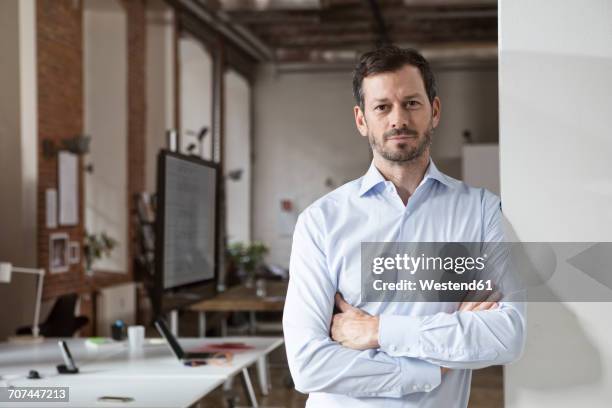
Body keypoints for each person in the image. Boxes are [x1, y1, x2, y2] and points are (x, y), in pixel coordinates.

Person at [282, 46, 526, 407]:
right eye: (382, 106)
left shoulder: (481, 211)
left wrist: (378, 331)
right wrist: (431, 369)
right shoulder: (320, 222)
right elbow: (307, 365)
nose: (398, 119)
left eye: (411, 103)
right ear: (361, 119)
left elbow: (507, 336)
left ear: (435, 111)